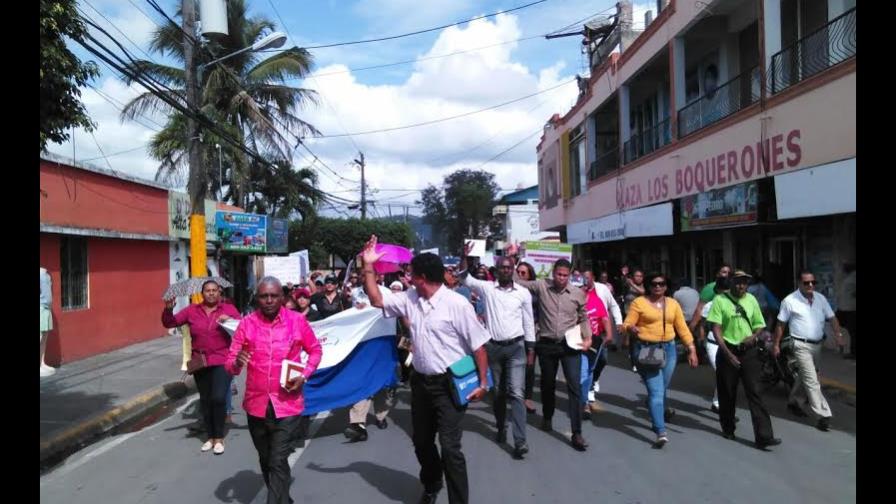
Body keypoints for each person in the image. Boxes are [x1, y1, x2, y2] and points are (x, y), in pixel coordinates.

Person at [360, 235, 490, 504]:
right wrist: (368, 265)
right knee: (421, 442)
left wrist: (483, 383)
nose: (407, 278)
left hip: (449, 386)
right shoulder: (409, 298)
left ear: (421, 277)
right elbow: (375, 300)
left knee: (451, 447)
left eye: (411, 274)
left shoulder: (457, 305)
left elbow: (479, 347)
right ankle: (432, 483)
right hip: (420, 383)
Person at [226, 277, 322, 504]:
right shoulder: (247, 324)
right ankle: (284, 500)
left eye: (273, 296)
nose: (269, 300)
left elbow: (316, 350)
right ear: (257, 298)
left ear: (282, 297)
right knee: (266, 458)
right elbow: (229, 364)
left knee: (278, 459)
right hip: (256, 405)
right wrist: (238, 361)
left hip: (287, 404)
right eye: (263, 296)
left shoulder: (297, 321)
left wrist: (305, 374)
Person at [508, 243, 593, 452]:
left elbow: (584, 318)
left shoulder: (577, 294)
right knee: (547, 384)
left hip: (569, 345)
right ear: (553, 273)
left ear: (570, 275)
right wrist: (514, 259)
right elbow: (517, 281)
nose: (561, 278)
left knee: (574, 387)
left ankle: (577, 432)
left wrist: (588, 338)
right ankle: (547, 417)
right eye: (558, 274)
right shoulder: (541, 286)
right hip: (546, 345)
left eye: (565, 275)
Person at [460, 245, 535, 459]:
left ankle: (520, 441)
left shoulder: (523, 293)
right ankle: (501, 425)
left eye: (508, 267)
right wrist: (464, 256)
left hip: (517, 348)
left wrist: (531, 349)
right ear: (496, 269)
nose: (505, 270)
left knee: (516, 393)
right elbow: (464, 277)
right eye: (501, 267)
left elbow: (529, 322)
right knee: (499, 393)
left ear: (512, 269)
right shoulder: (486, 288)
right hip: (493, 348)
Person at [163, 280, 241, 454]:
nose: (211, 293)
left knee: (218, 398)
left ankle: (219, 437)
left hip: (223, 359)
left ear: (219, 292)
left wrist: (230, 320)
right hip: (201, 361)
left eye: (214, 290)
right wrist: (168, 308)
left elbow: (243, 328)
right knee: (205, 400)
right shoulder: (192, 310)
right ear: (202, 293)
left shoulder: (228, 310)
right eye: (208, 290)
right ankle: (210, 437)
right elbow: (170, 323)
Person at [706, 270, 780, 450]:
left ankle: (764, 436)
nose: (741, 286)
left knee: (755, 391)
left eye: (744, 283)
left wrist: (754, 337)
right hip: (727, 349)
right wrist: (728, 354)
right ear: (731, 283)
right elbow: (716, 329)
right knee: (728, 392)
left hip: (749, 351)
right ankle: (728, 427)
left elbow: (759, 324)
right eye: (738, 282)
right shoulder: (720, 301)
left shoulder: (751, 300)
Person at [623, 272, 698, 447]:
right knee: (657, 391)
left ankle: (654, 408)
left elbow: (682, 328)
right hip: (647, 350)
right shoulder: (639, 303)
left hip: (669, 350)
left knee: (661, 387)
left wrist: (692, 349)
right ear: (648, 286)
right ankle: (660, 430)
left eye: (662, 284)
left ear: (666, 286)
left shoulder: (673, 304)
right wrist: (631, 328)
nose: (658, 287)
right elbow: (627, 323)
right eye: (654, 284)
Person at [773, 270, 844, 432]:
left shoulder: (821, 299)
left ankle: (794, 402)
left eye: (813, 282)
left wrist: (838, 334)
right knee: (812, 379)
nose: (810, 285)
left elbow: (832, 318)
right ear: (799, 283)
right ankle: (823, 414)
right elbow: (780, 324)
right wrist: (776, 344)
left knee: (805, 376)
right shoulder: (790, 301)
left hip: (817, 345)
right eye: (806, 283)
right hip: (800, 345)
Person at [582, 270, 622, 406]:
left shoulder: (602, 290)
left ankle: (592, 381)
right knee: (584, 368)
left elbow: (613, 306)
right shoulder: (577, 292)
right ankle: (585, 395)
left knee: (602, 360)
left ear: (593, 278)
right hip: (582, 336)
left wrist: (618, 323)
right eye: (583, 278)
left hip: (600, 333)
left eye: (587, 277)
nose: (585, 280)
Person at [579, 272, 613, 417]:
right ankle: (583, 401)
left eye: (585, 285)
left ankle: (585, 397)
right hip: (577, 340)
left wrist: (609, 334)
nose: (583, 289)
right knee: (582, 371)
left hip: (595, 340)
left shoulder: (596, 300)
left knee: (589, 371)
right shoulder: (573, 301)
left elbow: (604, 318)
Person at [698, 276, 731, 413]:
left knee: (728, 374)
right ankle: (719, 403)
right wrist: (701, 339)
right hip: (713, 343)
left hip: (730, 343)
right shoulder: (709, 306)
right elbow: (703, 324)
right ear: (717, 290)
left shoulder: (736, 305)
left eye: (728, 290)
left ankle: (719, 401)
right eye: (723, 291)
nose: (725, 293)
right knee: (721, 371)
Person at [516, 261, 539, 414]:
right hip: (514, 332)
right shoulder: (510, 289)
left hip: (532, 332)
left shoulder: (536, 291)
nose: (520, 275)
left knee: (530, 365)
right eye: (518, 272)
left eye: (523, 273)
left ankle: (528, 397)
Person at [689, 264, 732, 334]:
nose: (727, 274)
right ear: (717, 274)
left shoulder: (734, 288)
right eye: (724, 272)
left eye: (729, 273)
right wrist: (692, 326)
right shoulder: (710, 288)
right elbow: (700, 309)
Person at [40, 267, 56, 377]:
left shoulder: (47, 274)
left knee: (44, 337)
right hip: (40, 307)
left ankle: (42, 362)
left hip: (47, 308)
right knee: (40, 337)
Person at [837, 263, 856, 359]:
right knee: (849, 330)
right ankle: (850, 351)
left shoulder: (853, 277)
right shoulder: (848, 277)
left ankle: (853, 352)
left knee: (853, 331)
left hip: (851, 309)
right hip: (844, 308)